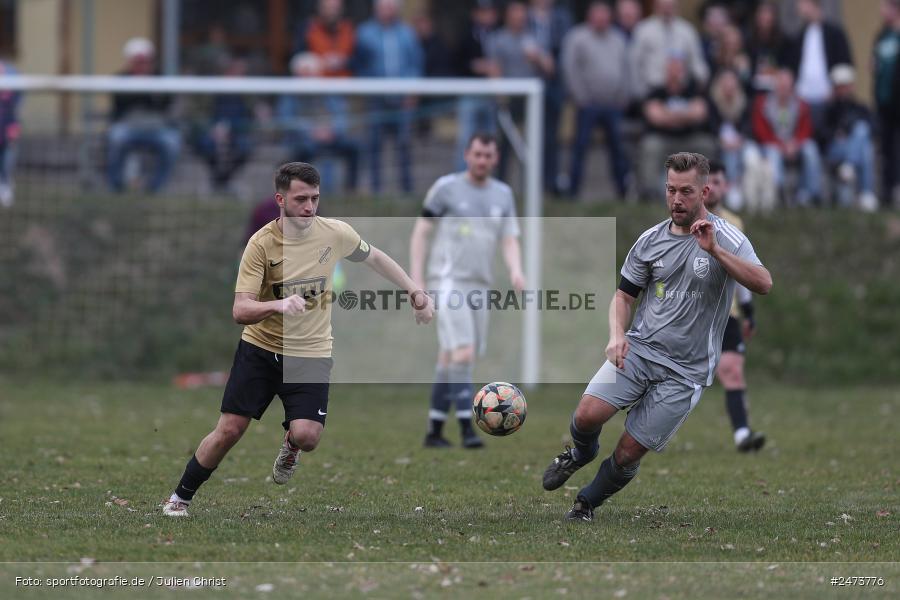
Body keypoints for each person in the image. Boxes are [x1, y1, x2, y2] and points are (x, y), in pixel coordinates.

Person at [162, 162, 434, 517]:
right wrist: (278, 304)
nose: (309, 206)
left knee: (308, 436)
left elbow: (375, 258)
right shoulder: (260, 244)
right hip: (260, 350)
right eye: (301, 198)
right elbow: (240, 310)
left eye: (315, 198)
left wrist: (414, 290)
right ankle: (180, 498)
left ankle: (290, 445)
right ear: (280, 199)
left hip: (311, 353)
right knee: (229, 430)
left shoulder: (335, 233)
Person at [541, 152, 772, 522]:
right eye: (670, 190)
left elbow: (763, 283)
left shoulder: (727, 237)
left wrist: (714, 251)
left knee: (630, 450)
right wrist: (617, 335)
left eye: (685, 191)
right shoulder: (649, 241)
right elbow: (622, 297)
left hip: (687, 370)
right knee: (587, 415)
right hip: (641, 349)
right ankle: (580, 454)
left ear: (704, 191)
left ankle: (586, 503)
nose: (676, 200)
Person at [409, 133, 525, 449]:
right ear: (466, 155)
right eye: (477, 154)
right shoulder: (446, 188)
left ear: (495, 158)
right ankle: (468, 429)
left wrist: (516, 268)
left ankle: (434, 431)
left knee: (450, 357)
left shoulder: (503, 194)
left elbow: (509, 238)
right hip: (447, 282)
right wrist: (416, 281)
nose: (482, 160)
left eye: (488, 155)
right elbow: (421, 232)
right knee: (464, 353)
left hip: (480, 285)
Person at [705, 161, 766, 452]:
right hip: (693, 311)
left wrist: (748, 310)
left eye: (718, 182)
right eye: (709, 182)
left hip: (727, 312)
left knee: (732, 370)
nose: (713, 187)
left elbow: (743, 271)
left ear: (725, 186)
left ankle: (742, 434)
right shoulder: (685, 221)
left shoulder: (734, 224)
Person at [562, 0, 631, 200]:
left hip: (613, 105)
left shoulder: (618, 39)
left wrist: (623, 95)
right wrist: (580, 97)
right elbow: (570, 69)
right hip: (587, 105)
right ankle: (573, 192)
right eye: (597, 15)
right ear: (589, 17)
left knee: (617, 149)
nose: (601, 19)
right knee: (580, 148)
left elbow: (626, 69)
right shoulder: (577, 37)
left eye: (604, 15)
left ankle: (622, 191)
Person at [353, 0, 423, 194]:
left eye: (391, 7)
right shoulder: (365, 33)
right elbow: (359, 64)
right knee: (374, 145)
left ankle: (406, 190)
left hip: (402, 99)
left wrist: (413, 90)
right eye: (384, 7)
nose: (387, 11)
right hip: (376, 99)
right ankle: (377, 191)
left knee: (404, 145)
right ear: (376, 9)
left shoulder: (407, 33)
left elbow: (415, 63)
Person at [487, 0, 554, 183]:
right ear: (507, 16)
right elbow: (494, 70)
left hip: (531, 102)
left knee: (531, 145)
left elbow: (550, 68)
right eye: (515, 14)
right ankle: (500, 184)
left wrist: (538, 58)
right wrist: (500, 97)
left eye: (522, 15)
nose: (519, 18)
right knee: (504, 146)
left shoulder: (534, 38)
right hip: (507, 100)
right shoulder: (497, 38)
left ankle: (531, 187)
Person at [277, 53, 360, 192]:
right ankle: (307, 190)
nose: (308, 77)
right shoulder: (289, 93)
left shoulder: (326, 89)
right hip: (302, 140)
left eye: (311, 73)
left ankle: (351, 190)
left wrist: (333, 130)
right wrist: (310, 131)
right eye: (304, 73)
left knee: (354, 148)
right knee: (306, 150)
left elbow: (341, 114)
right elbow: (286, 119)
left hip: (330, 136)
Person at [107, 38, 181, 194]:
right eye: (138, 62)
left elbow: (166, 102)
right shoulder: (121, 79)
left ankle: (155, 187)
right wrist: (143, 91)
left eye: (145, 61)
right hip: (129, 128)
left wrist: (147, 92)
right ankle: (116, 186)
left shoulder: (160, 78)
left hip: (156, 129)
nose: (142, 66)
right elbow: (120, 103)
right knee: (116, 138)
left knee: (172, 142)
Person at [638, 56, 717, 200]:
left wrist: (668, 115)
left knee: (707, 144)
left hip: (689, 138)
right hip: (663, 138)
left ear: (683, 73)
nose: (675, 74)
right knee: (650, 146)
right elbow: (655, 117)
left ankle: (707, 191)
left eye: (678, 70)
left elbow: (700, 112)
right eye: (671, 70)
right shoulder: (656, 92)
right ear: (666, 72)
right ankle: (649, 193)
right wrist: (685, 115)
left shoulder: (694, 91)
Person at [751, 67, 823, 206]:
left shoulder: (801, 105)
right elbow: (761, 131)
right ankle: (780, 193)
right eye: (781, 86)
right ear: (775, 86)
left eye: (787, 86)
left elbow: (806, 129)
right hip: (772, 144)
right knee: (773, 153)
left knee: (811, 149)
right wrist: (781, 145)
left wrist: (795, 144)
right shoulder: (762, 104)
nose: (784, 90)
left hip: (794, 144)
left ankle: (809, 194)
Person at [782, 0, 853, 130]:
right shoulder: (798, 36)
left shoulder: (834, 34)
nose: (798, 8)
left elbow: (845, 66)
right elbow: (791, 68)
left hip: (828, 100)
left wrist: (836, 90)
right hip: (801, 100)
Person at [191, 56, 254, 191]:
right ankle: (218, 180)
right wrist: (211, 129)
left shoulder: (247, 92)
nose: (240, 77)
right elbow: (197, 114)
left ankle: (223, 181)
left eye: (242, 74)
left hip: (238, 132)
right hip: (212, 132)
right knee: (207, 145)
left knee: (244, 146)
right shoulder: (211, 90)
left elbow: (251, 116)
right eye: (236, 73)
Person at [822, 64, 878, 211]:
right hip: (835, 148)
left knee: (863, 138)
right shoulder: (829, 108)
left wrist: (851, 132)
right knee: (864, 145)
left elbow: (874, 128)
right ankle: (867, 193)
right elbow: (821, 133)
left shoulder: (860, 107)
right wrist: (836, 133)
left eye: (846, 85)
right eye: (840, 86)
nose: (844, 89)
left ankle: (850, 165)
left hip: (854, 149)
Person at [630, 0, 709, 100]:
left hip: (682, 91)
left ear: (677, 7)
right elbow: (634, 63)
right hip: (652, 90)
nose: (667, 10)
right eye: (663, 6)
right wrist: (639, 92)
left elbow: (697, 61)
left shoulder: (687, 30)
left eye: (671, 6)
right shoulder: (643, 30)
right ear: (656, 7)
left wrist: (701, 79)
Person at [454, 0, 500, 170]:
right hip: (470, 94)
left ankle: (487, 180)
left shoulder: (499, 35)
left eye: (489, 12)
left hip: (492, 95)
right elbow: (456, 63)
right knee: (466, 139)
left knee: (490, 139)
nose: (486, 16)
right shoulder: (466, 35)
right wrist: (474, 66)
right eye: (482, 12)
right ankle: (462, 178)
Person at [873, 0, 900, 208]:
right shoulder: (882, 36)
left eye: (884, 7)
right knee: (886, 148)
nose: (881, 12)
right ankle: (887, 193)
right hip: (884, 102)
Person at [294, 0, 355, 78]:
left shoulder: (350, 29)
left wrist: (344, 61)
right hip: (316, 84)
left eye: (335, 8)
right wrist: (318, 61)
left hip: (346, 84)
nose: (331, 12)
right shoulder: (308, 28)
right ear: (320, 8)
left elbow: (360, 60)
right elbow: (298, 58)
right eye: (327, 8)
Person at [0, 59, 21, 208]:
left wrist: (13, 127)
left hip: (7, 126)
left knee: (8, 158)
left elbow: (16, 105)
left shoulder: (12, 74)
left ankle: (6, 185)